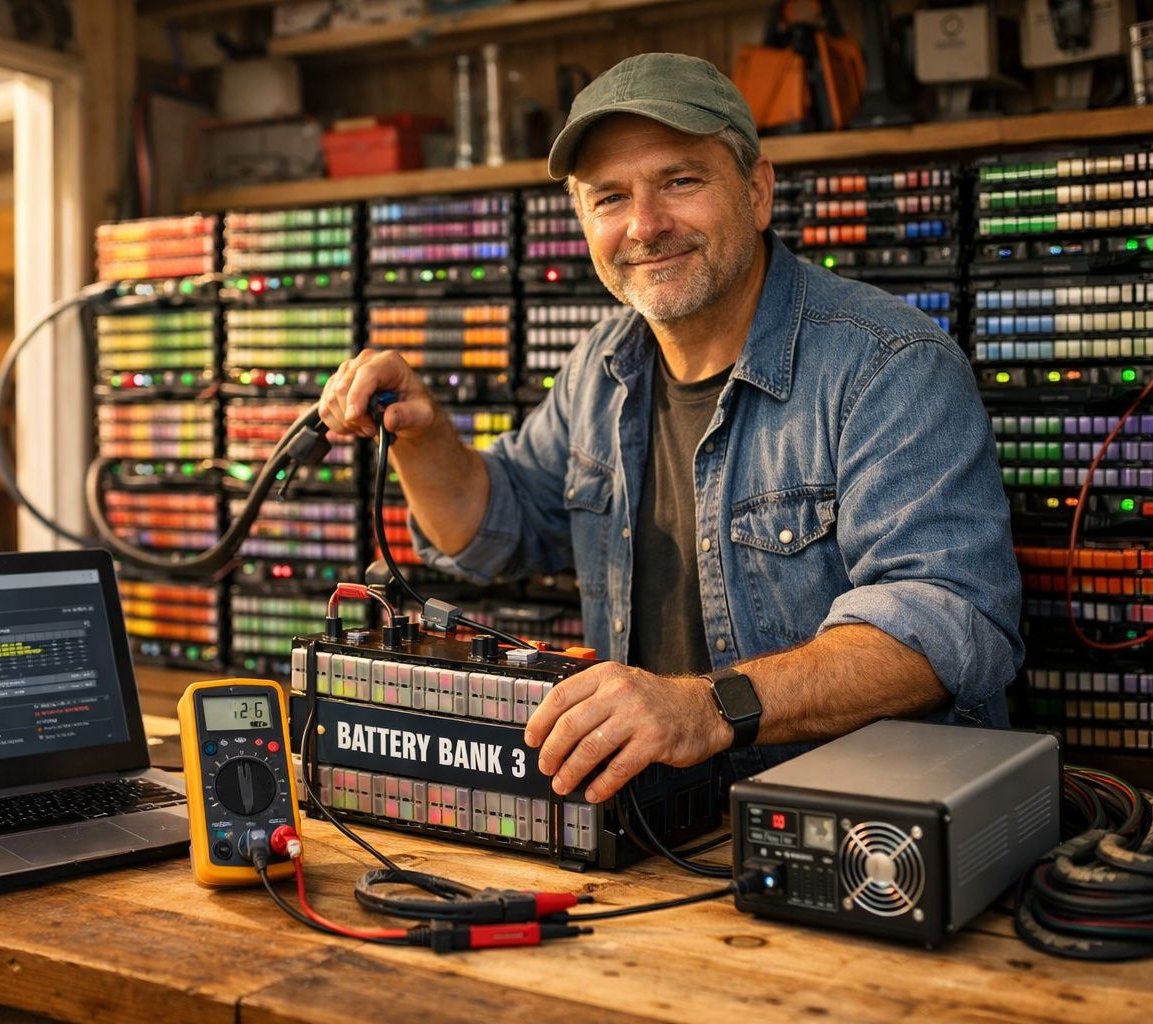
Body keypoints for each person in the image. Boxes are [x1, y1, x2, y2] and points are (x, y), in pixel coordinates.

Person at [318, 52, 1022, 806]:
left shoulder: (889, 365)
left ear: (756, 191)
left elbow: (947, 625)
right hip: (657, 829)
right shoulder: (604, 361)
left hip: (858, 834)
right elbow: (496, 528)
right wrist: (423, 439)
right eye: (610, 197)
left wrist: (707, 708)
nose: (645, 226)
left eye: (681, 182)